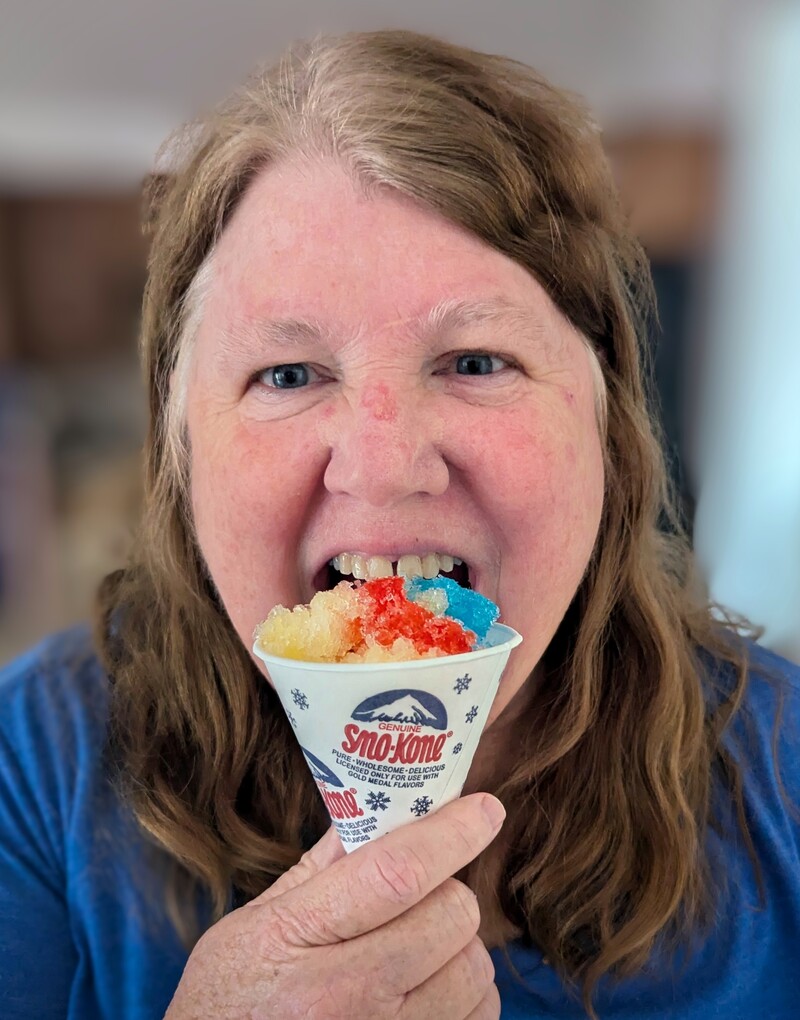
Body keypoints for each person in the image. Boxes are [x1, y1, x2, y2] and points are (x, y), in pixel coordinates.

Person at [0, 29, 798, 1020]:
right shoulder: (26, 773)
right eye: (286, 375)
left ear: (608, 432)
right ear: (179, 456)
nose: (382, 465)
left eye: (473, 360)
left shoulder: (786, 777)